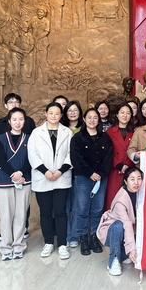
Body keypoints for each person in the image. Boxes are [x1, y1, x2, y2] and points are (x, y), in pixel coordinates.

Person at [27, 102, 73, 260]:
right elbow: (32, 154)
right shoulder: (36, 133)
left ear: (61, 115)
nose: (54, 116)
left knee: (60, 212)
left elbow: (71, 154)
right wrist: (45, 171)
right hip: (42, 177)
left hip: (61, 178)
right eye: (51, 113)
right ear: (45, 114)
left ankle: (62, 244)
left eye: (57, 113)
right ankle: (48, 242)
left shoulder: (67, 132)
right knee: (45, 212)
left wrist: (60, 171)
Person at [70, 108, 113, 256]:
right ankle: (83, 237)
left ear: (98, 120)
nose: (92, 120)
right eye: (89, 117)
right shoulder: (77, 138)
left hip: (101, 178)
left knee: (97, 209)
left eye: (95, 117)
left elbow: (109, 158)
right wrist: (90, 173)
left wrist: (100, 173)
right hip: (83, 178)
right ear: (84, 119)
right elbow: (76, 159)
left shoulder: (105, 138)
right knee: (82, 209)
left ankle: (94, 236)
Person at [0, 107, 31, 261]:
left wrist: (21, 173)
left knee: (21, 215)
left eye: (21, 119)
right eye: (14, 119)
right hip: (4, 180)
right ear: (9, 121)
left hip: (24, 180)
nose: (17, 122)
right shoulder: (1, 138)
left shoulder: (29, 138)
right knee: (5, 215)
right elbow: (1, 160)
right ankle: (5, 247)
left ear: (24, 121)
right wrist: (13, 175)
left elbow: (31, 159)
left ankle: (18, 246)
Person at [97, 166, 143, 276]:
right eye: (132, 179)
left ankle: (123, 254)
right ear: (126, 181)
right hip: (111, 232)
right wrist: (132, 249)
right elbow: (126, 224)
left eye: (139, 178)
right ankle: (114, 260)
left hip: (129, 230)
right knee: (119, 225)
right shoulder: (120, 201)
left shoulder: (140, 193)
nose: (136, 182)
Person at [59, 100, 82, 248]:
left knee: (77, 207)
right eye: (69, 110)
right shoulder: (60, 129)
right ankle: (66, 235)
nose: (72, 113)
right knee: (64, 207)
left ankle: (75, 235)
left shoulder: (85, 128)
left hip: (80, 173)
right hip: (62, 172)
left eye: (75, 110)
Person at [105, 103, 135, 211]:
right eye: (122, 113)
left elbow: (135, 150)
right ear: (117, 115)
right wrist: (118, 165)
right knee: (112, 200)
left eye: (128, 113)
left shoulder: (134, 132)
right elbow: (107, 153)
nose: (125, 116)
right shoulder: (109, 132)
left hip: (129, 170)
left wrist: (127, 164)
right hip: (114, 170)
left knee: (128, 202)